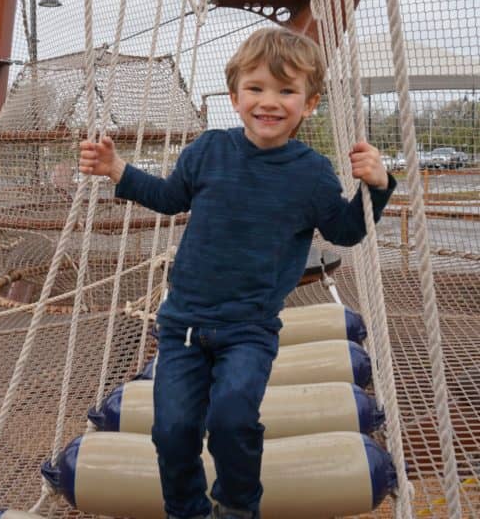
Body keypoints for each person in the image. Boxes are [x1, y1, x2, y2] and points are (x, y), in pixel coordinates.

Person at [79, 28, 395, 519]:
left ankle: (237, 505)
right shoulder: (208, 151)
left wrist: (376, 187)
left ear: (309, 104)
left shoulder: (311, 173)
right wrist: (118, 168)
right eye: (257, 89)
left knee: (232, 418)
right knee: (172, 429)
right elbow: (169, 197)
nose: (269, 102)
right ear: (234, 96)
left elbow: (346, 230)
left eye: (286, 91)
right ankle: (186, 509)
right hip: (183, 322)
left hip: (248, 328)